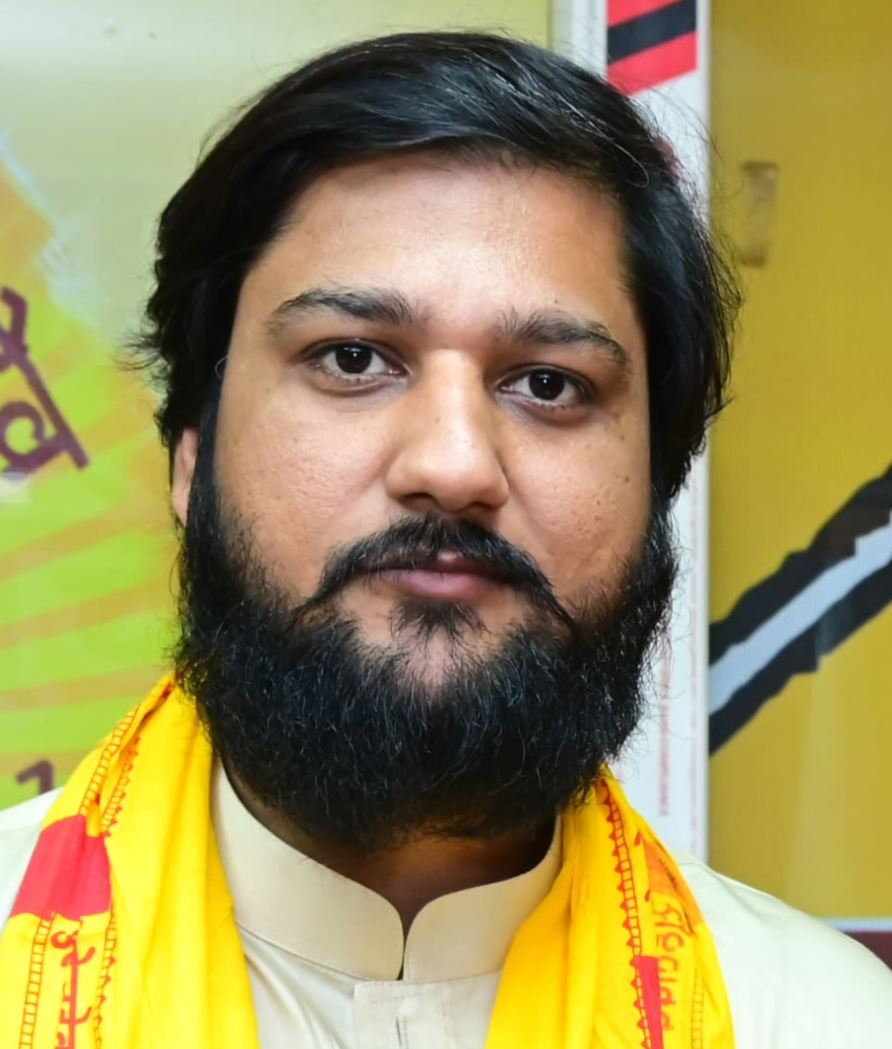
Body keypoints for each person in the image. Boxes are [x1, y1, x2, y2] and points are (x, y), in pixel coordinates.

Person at [0, 30, 889, 1049]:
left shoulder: (819, 1018)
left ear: (657, 484)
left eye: (548, 382)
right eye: (352, 358)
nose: (456, 464)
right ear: (190, 460)